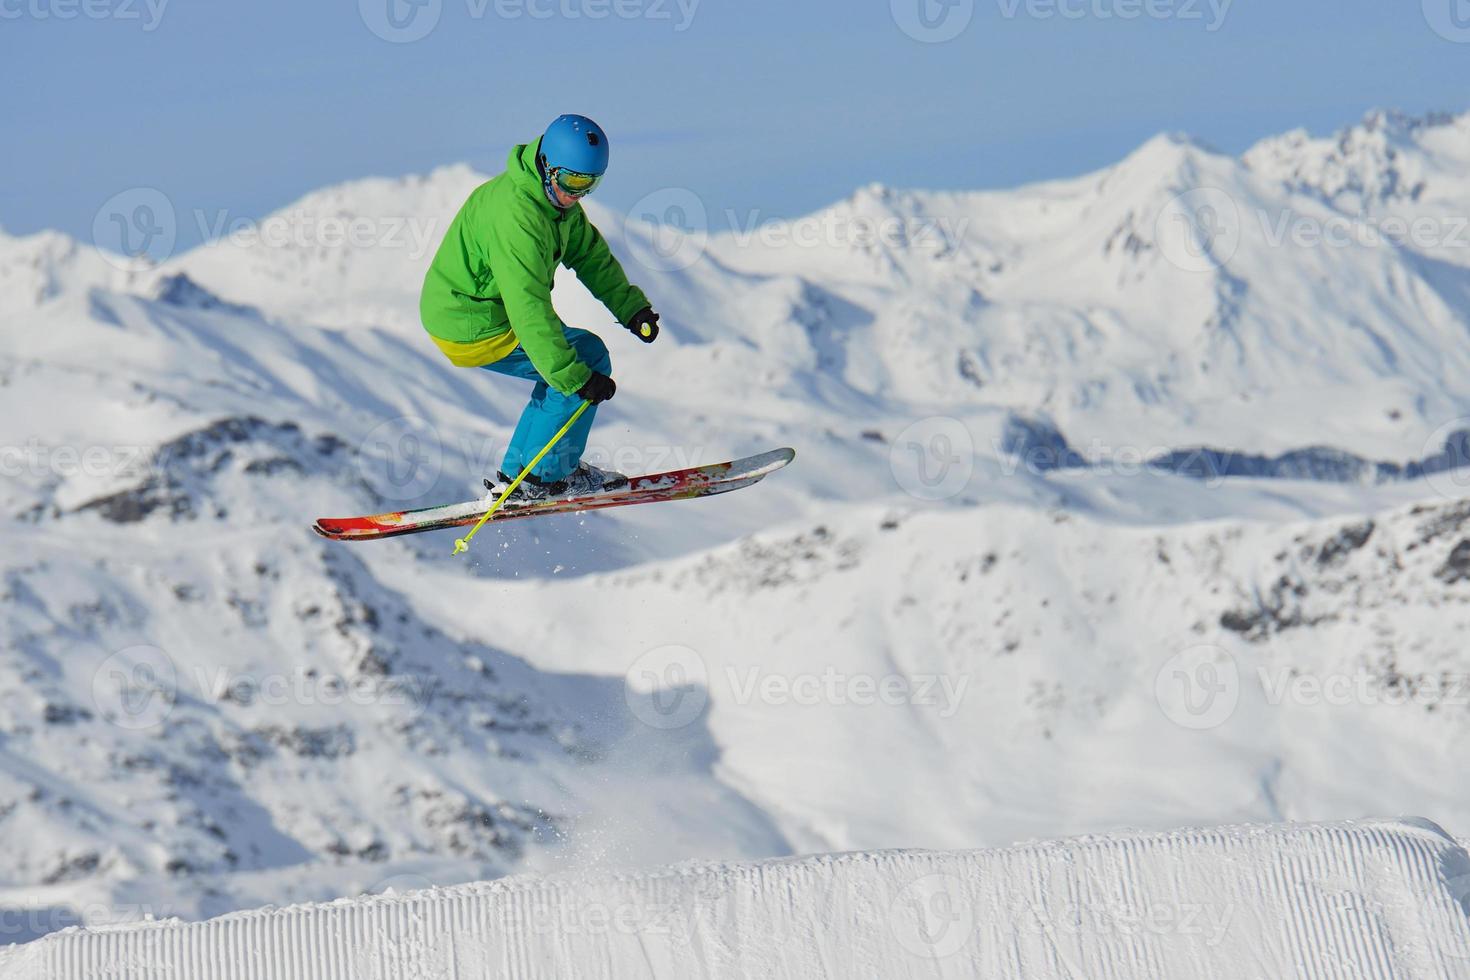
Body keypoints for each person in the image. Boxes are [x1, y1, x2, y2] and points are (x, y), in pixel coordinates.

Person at [419, 114, 660, 499]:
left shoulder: (556, 207)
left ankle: (524, 474)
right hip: (470, 322)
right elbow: (528, 307)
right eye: (573, 182)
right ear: (548, 167)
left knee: (578, 361)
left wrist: (631, 308)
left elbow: (591, 257)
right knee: (580, 367)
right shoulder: (518, 217)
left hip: (480, 312)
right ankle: (543, 477)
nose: (577, 194)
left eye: (589, 185)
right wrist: (574, 378)